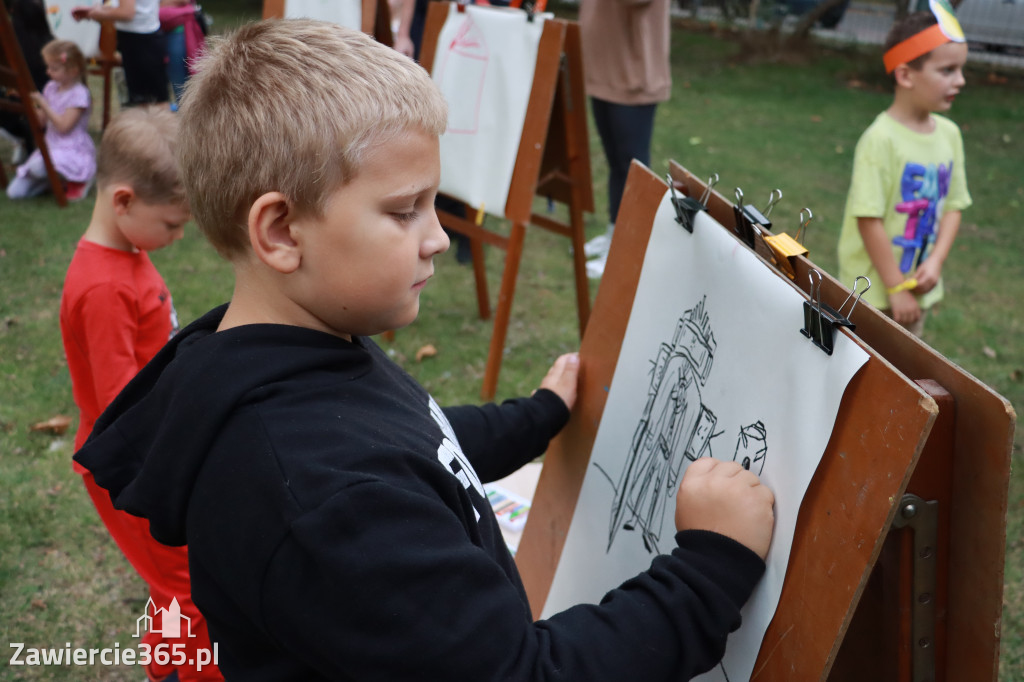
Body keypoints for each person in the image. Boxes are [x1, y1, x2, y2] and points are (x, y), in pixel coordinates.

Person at [74, 20, 775, 681]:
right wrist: (711, 565)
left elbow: (412, 437)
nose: (438, 238)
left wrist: (537, 414)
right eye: (404, 210)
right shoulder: (324, 504)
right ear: (282, 231)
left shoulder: (297, 348)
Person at [59, 107, 223, 682]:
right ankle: (187, 672)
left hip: (153, 452)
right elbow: (119, 407)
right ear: (123, 201)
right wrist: (174, 469)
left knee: (172, 575)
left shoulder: (128, 252)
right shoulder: (103, 288)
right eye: (173, 225)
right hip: (131, 468)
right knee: (183, 582)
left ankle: (167, 662)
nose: (178, 239)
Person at [837, 2, 971, 337]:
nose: (962, 80)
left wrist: (936, 262)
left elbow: (954, 205)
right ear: (905, 74)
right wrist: (896, 288)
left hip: (918, 292)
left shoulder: (950, 135)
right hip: (872, 296)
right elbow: (868, 219)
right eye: (948, 70)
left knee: (906, 378)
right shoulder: (880, 139)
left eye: (961, 69)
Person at [579, 0, 672, 279]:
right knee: (617, 166)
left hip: (634, 74)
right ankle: (614, 234)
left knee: (633, 170)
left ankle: (629, 248)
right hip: (604, 70)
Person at [6, 39, 95, 201]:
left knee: (38, 167)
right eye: (48, 67)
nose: (48, 72)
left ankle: (79, 180)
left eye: (54, 68)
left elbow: (63, 127)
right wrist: (28, 102)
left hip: (71, 149)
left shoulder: (79, 94)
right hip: (51, 147)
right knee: (15, 193)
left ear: (73, 71)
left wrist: (44, 104)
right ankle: (54, 181)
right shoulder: (51, 88)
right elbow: (41, 122)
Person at [71, 0, 169, 106]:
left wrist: (96, 13)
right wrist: (96, 10)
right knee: (144, 100)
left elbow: (126, 13)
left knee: (151, 102)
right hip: (139, 39)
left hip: (140, 41)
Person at [0, 0, 54, 164]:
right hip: (51, 113)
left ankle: (20, 140)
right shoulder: (53, 47)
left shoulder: (9, 47)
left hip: (25, 112)